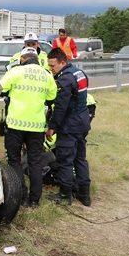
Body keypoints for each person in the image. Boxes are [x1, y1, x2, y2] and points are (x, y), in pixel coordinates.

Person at [0, 47, 57, 207]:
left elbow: (0, 89)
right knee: (35, 162)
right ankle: (34, 200)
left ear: (22, 58)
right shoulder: (47, 75)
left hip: (15, 124)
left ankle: (20, 195)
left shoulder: (16, 72)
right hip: (37, 126)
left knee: (14, 160)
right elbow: (52, 97)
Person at [46, 48, 91, 206]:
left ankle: (65, 195)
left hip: (70, 125)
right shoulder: (79, 73)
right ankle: (84, 195)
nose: (51, 70)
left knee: (65, 160)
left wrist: (52, 127)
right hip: (83, 121)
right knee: (80, 159)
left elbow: (61, 107)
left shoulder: (65, 79)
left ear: (62, 62)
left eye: (53, 66)